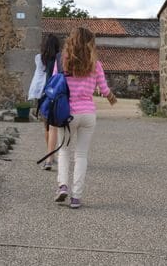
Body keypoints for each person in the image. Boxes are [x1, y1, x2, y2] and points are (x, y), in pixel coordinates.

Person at [53, 27, 117, 209]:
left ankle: (63, 186)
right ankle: (76, 197)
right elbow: (104, 90)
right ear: (90, 43)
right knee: (81, 155)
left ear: (71, 41)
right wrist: (113, 99)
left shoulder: (62, 61)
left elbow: (54, 84)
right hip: (88, 114)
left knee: (64, 151)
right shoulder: (95, 64)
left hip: (67, 113)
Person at [27, 33, 60, 170]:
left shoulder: (39, 58)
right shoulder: (60, 58)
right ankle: (52, 155)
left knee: (47, 125)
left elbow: (38, 76)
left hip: (43, 93)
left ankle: (49, 155)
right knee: (56, 126)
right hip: (56, 92)